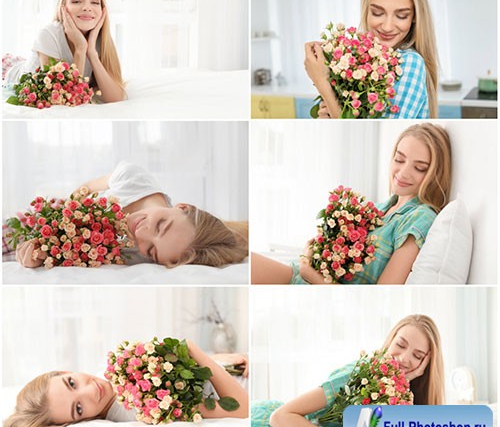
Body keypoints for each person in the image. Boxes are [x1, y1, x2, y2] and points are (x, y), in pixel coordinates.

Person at [251, 123, 450, 284]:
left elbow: (382, 293)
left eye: (420, 168)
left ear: (435, 174)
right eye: (399, 159)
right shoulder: (380, 208)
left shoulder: (421, 217)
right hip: (302, 271)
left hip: (305, 280)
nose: (403, 172)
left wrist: (306, 268)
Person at [14, 156, 248, 273]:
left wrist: (42, 252)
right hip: (40, 216)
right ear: (182, 207)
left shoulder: (136, 255)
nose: (142, 235)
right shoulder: (134, 179)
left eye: (152, 251)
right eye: (160, 226)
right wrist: (63, 220)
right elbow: (84, 190)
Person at [251, 315, 444, 427]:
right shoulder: (357, 373)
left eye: (417, 356)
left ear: (426, 365)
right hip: (263, 426)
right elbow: (279, 417)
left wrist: (405, 381)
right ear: (389, 341)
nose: (404, 358)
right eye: (400, 345)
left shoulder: (399, 394)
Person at [4, 341, 249, 427]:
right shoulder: (140, 409)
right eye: (78, 408)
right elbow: (240, 409)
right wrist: (192, 348)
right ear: (75, 422)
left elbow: (199, 372)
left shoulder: (112, 371)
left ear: (67, 371)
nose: (90, 391)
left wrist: (222, 360)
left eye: (72, 383)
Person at [304, 0, 439, 119]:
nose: (387, 27)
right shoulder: (364, 62)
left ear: (415, 17)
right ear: (366, 10)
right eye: (377, 13)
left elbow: (366, 137)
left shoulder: (410, 63)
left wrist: (322, 83)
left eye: (401, 15)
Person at [2, 0, 125, 103]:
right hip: (8, 71)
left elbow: (116, 98)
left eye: (95, 2)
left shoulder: (100, 39)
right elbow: (65, 97)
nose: (87, 7)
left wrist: (92, 54)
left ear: (102, 11)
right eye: (76, 1)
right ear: (63, 9)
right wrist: (80, 49)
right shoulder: (49, 34)